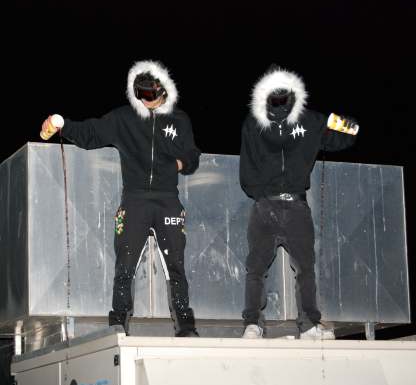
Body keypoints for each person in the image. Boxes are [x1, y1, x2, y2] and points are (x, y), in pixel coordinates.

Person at [41, 60, 200, 337]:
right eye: (140, 94)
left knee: (176, 264)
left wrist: (177, 164)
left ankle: (185, 326)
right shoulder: (124, 118)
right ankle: (118, 324)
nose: (145, 100)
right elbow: (91, 134)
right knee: (125, 264)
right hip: (134, 200)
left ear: (162, 90)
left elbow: (192, 156)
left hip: (168, 201)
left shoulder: (180, 119)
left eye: (149, 94)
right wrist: (62, 124)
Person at [239, 66, 358, 339]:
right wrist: (262, 195)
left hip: (296, 206)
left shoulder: (310, 120)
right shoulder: (253, 123)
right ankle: (252, 325)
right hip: (265, 206)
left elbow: (348, 134)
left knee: (305, 269)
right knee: (256, 268)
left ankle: (308, 326)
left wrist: (338, 121)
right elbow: (246, 168)